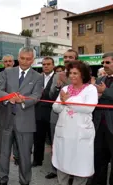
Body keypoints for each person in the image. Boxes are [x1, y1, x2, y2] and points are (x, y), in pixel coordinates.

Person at [0, 47, 43, 185]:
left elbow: (36, 96)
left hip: (25, 122)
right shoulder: (8, 72)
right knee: (3, 154)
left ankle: (24, 181)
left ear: (33, 60)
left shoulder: (37, 77)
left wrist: (23, 100)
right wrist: (9, 98)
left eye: (28, 59)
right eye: (22, 58)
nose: (24, 61)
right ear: (18, 57)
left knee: (25, 156)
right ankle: (2, 180)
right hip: (6, 119)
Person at [52, 61, 98, 185]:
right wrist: (62, 103)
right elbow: (55, 108)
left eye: (75, 73)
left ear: (83, 75)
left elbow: (88, 108)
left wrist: (67, 101)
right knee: (62, 163)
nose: (72, 76)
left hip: (80, 134)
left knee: (81, 166)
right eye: (70, 73)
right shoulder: (65, 88)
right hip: (64, 132)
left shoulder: (91, 89)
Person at [46, 49, 78, 180]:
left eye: (70, 57)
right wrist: (58, 87)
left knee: (72, 146)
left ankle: (72, 173)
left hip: (73, 117)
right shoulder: (57, 75)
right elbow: (51, 96)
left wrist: (67, 82)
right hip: (56, 115)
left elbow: (79, 93)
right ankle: (56, 169)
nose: (67, 59)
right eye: (65, 57)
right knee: (56, 144)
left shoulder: (82, 74)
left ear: (76, 58)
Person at [0, 54, 19, 173]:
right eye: (6, 61)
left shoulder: (20, 74)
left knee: (19, 141)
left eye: (10, 61)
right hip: (3, 112)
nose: (8, 63)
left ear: (13, 62)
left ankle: (18, 157)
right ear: (3, 63)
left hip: (19, 112)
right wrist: (8, 97)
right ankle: (2, 175)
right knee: (4, 145)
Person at [90, 52, 113, 185]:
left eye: (108, 62)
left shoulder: (102, 84)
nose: (104, 65)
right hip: (98, 126)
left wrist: (105, 92)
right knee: (99, 158)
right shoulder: (99, 80)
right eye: (103, 63)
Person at [32, 57, 55, 167]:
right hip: (38, 113)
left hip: (52, 113)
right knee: (38, 139)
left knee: (53, 141)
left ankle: (54, 165)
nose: (46, 66)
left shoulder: (58, 77)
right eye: (44, 64)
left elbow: (55, 95)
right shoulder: (38, 77)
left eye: (48, 64)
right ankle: (37, 160)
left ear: (53, 65)